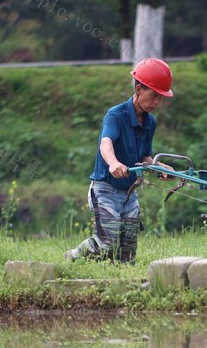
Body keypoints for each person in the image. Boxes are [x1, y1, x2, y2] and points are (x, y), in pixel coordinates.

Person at [65, 58, 176, 263]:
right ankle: (73, 256)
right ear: (138, 88)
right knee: (108, 243)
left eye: (160, 98)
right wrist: (114, 163)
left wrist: (158, 166)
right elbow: (105, 143)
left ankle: (119, 282)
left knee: (128, 255)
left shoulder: (150, 122)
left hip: (129, 193)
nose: (156, 103)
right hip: (105, 189)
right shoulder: (115, 115)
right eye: (153, 96)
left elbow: (144, 157)